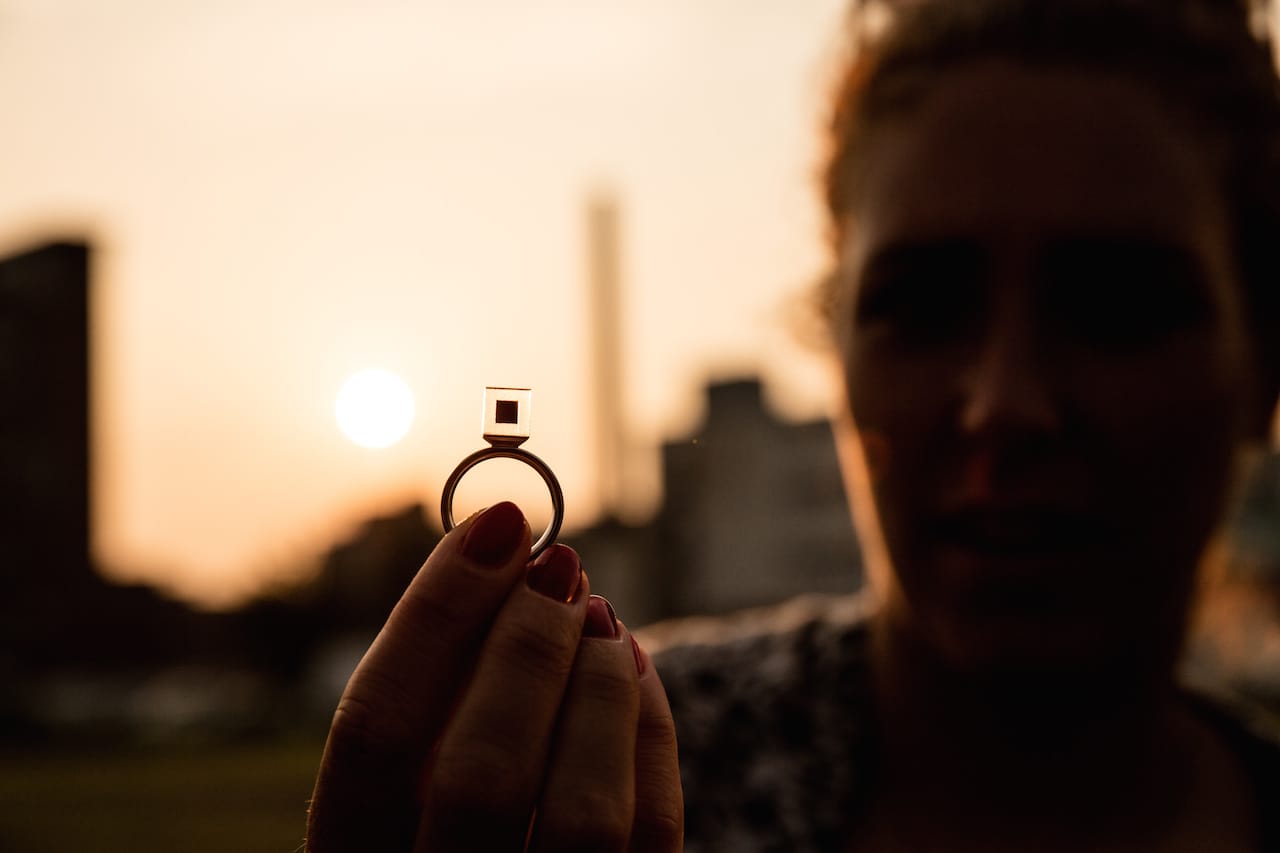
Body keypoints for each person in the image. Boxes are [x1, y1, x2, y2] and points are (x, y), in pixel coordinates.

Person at [306, 0, 1280, 849]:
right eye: (921, 305)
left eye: (1115, 304)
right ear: (835, 343)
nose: (1004, 406)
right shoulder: (617, 764)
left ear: (1261, 368)